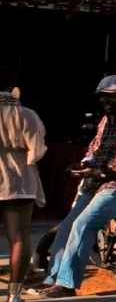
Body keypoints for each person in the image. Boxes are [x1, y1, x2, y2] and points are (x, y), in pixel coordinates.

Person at [38, 76, 116, 298]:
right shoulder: (106, 121)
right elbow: (95, 149)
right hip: (99, 183)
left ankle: (67, 284)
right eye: (102, 99)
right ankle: (53, 277)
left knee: (83, 224)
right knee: (67, 226)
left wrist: (111, 171)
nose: (105, 104)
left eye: (110, 99)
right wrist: (85, 163)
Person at [0, 78, 45, 302]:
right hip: (19, 183)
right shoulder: (27, 115)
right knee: (19, 238)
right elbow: (36, 152)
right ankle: (14, 297)